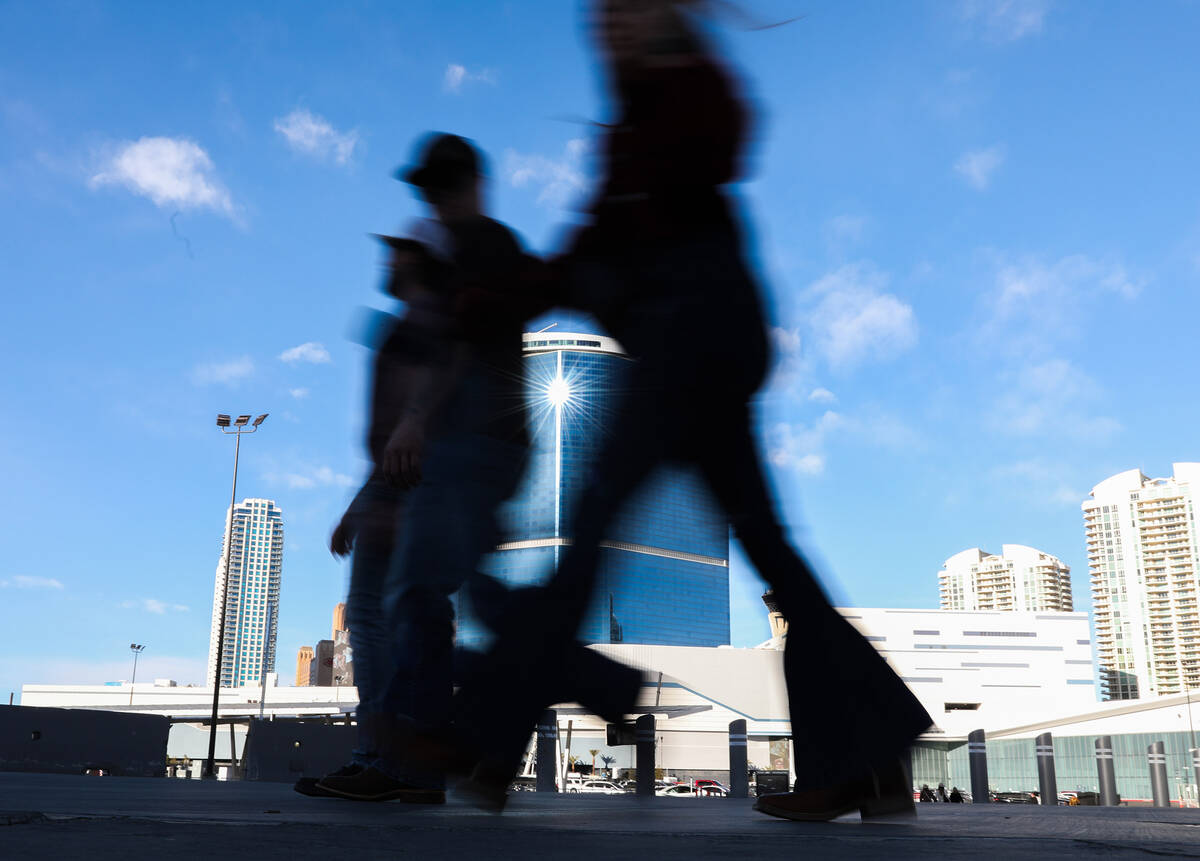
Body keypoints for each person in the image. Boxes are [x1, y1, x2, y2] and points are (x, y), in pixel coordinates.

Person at [446, 0, 932, 821]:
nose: (612, 29)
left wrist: (648, 129)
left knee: (593, 529)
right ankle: (870, 755)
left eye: (629, 12)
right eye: (602, 20)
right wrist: (494, 299)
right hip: (693, 350)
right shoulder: (633, 129)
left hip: (692, 343)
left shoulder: (682, 93)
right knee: (773, 554)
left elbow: (724, 142)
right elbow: (580, 254)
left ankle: (490, 748)